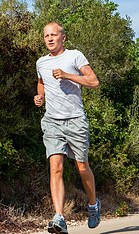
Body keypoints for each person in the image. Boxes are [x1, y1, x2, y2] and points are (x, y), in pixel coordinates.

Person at [34, 22, 101, 234]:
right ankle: (59, 218)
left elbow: (93, 81)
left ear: (63, 38)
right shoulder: (41, 62)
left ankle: (93, 205)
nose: (50, 39)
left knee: (82, 168)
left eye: (54, 35)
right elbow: (41, 82)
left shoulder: (75, 56)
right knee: (55, 167)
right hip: (52, 121)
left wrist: (67, 75)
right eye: (46, 36)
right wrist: (40, 96)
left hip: (75, 120)